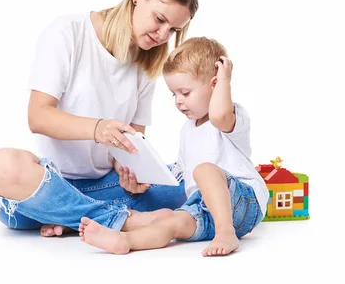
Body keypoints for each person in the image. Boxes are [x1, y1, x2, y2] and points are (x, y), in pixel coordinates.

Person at [0, 0, 198, 236]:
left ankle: (69, 215)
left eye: (173, 30)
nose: (163, 35)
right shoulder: (69, 33)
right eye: (159, 19)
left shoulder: (147, 64)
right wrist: (98, 129)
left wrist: (131, 176)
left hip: (104, 188)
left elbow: (132, 146)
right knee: (1, 166)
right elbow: (37, 117)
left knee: (195, 179)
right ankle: (120, 221)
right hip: (48, 183)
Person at [78, 37, 269, 256]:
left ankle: (226, 233)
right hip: (204, 208)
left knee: (204, 170)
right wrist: (147, 176)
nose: (178, 101)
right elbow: (182, 175)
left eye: (185, 93)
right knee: (172, 219)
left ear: (215, 84)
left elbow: (219, 115)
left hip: (243, 201)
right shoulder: (188, 130)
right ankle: (126, 240)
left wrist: (224, 79)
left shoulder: (231, 118)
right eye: (174, 94)